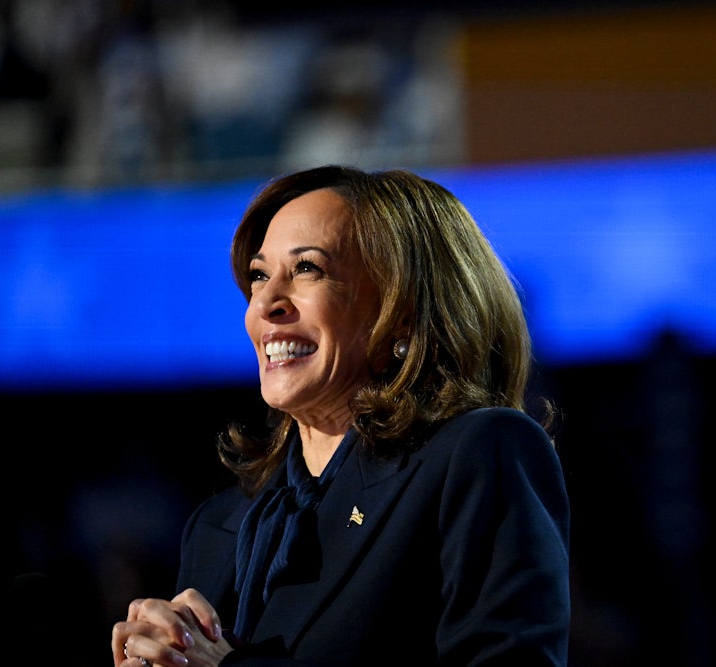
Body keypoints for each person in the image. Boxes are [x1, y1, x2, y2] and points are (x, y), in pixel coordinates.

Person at [110, 165, 571, 666]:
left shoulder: (481, 453)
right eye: (260, 276)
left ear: (403, 311)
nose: (265, 304)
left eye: (308, 269)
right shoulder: (217, 527)